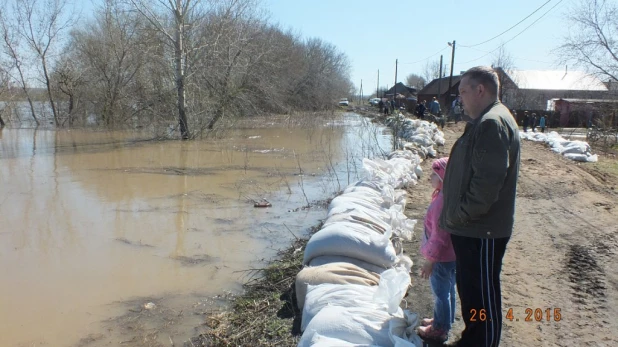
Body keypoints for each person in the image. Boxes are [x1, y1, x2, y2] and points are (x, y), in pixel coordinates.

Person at [439, 66, 520, 347]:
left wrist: (459, 216)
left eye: (463, 91)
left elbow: (486, 186)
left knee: (481, 295)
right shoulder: (486, 120)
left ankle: (482, 342)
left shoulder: (491, 124)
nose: (460, 98)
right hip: (474, 229)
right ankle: (473, 339)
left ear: (480, 90)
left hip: (479, 230)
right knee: (474, 292)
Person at [418, 157, 456, 343]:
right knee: (448, 290)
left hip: (441, 258)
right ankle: (443, 319)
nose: (430, 178)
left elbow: (438, 236)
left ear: (442, 177)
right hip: (451, 256)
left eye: (433, 174)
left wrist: (429, 261)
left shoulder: (441, 203)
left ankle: (440, 329)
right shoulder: (447, 196)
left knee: (441, 293)